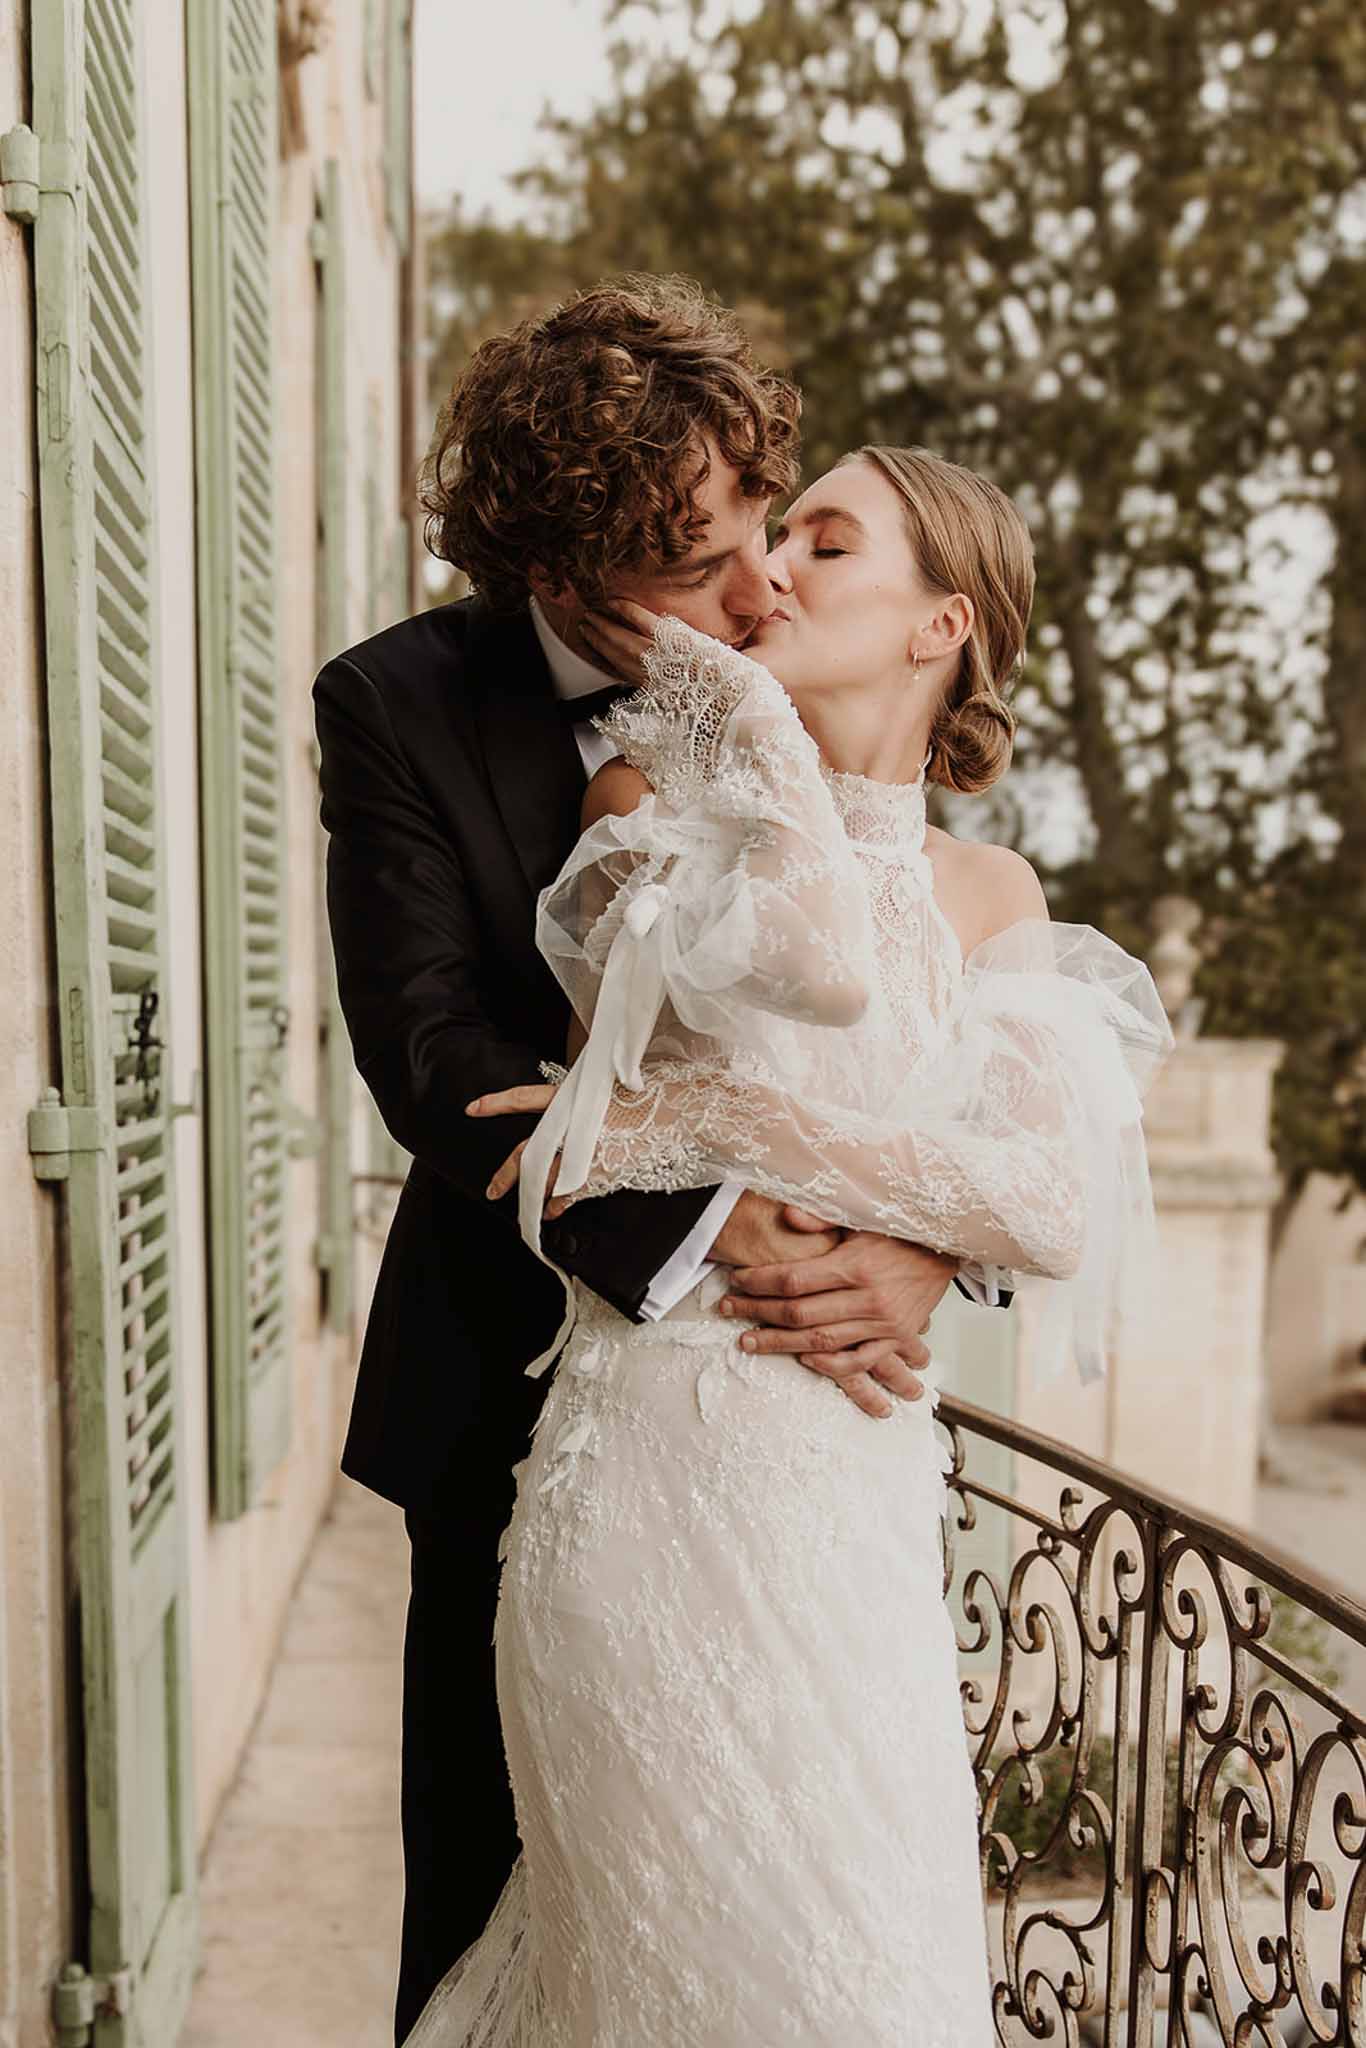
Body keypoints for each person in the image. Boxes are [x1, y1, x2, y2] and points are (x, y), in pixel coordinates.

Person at [408, 446, 1171, 2044]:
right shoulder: (646, 813)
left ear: (938, 625)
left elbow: (1045, 1205)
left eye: (827, 542)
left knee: (871, 1981)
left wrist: (744, 1134)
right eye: (780, 535)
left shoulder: (991, 889)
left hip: (852, 1513)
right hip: (644, 1486)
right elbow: (798, 984)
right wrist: (754, 726)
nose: (771, 571)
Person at [313, 280, 996, 2045]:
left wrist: (922, 1248)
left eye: (770, 526)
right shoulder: (394, 704)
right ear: (564, 572)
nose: (761, 590)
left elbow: (930, 1023)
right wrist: (710, 1224)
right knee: (505, 1910)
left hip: (803, 1461)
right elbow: (435, 1058)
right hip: (519, 1400)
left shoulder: (805, 674)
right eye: (703, 568)